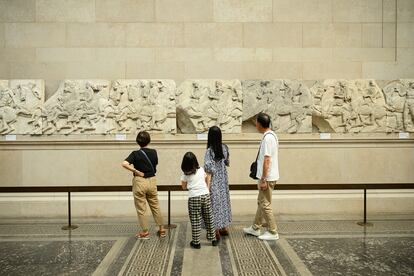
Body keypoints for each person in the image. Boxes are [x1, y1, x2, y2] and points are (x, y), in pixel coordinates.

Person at [122, 131, 166, 239]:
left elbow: (124, 163)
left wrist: (136, 171)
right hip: (152, 180)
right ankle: (162, 229)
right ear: (149, 140)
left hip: (140, 181)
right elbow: (155, 164)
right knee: (155, 205)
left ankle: (145, 232)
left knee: (141, 208)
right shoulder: (154, 152)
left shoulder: (135, 154)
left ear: (137, 141)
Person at [243, 112, 280, 240]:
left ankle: (273, 231)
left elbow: (266, 160)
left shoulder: (268, 138)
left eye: (256, 123)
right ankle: (255, 227)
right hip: (269, 176)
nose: (255, 125)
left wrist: (263, 179)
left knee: (265, 204)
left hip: (267, 178)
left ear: (259, 124)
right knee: (261, 202)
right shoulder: (271, 136)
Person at [181, 152, 218, 249]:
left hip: (194, 197)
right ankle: (213, 239)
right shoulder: (201, 170)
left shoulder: (185, 174)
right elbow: (206, 181)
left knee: (195, 220)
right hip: (205, 195)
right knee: (209, 217)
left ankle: (196, 242)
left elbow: (184, 187)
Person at [204, 126, 231, 240]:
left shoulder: (209, 151)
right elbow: (227, 162)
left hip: (214, 180)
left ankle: (215, 231)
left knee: (214, 203)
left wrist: (207, 186)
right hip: (223, 180)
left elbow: (208, 168)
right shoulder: (225, 148)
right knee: (223, 202)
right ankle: (223, 227)